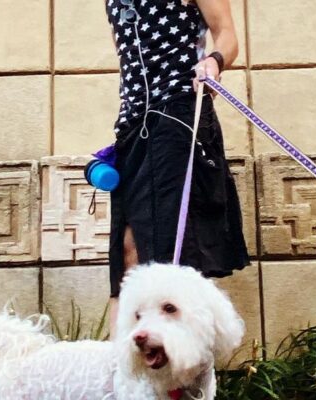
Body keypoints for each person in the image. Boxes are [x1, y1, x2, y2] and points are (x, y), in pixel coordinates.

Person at [105, 0, 250, 335]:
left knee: (172, 251)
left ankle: (184, 357)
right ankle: (122, 358)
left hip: (178, 113)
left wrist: (214, 61)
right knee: (126, 249)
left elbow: (227, 35)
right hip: (132, 124)